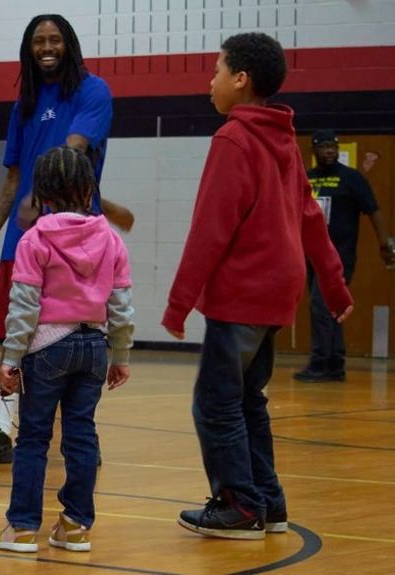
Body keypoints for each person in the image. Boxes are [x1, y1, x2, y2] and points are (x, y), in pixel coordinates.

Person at [162, 33, 353, 540]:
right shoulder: (283, 137)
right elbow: (312, 219)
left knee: (216, 402)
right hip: (277, 294)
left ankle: (238, 506)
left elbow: (210, 227)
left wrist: (179, 303)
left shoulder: (233, 138)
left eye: (217, 70)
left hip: (243, 292)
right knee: (249, 399)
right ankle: (268, 503)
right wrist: (334, 287)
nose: (211, 80)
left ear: (240, 79)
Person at [0, 14, 133, 465]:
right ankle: (1, 428)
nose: (47, 47)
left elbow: (73, 147)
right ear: (28, 49)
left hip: (76, 236)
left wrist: (39, 194)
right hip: (25, 235)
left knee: (77, 333)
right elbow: (13, 173)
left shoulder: (93, 91)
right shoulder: (25, 102)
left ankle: (75, 436)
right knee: (15, 332)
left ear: (69, 44)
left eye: (55, 39)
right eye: (38, 41)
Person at [0, 146, 133, 554]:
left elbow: (24, 308)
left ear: (43, 195)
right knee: (82, 436)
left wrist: (12, 359)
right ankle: (75, 526)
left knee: (33, 438)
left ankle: (22, 528)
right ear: (90, 191)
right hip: (93, 347)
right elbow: (121, 305)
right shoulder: (110, 238)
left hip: (48, 347)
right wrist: (119, 354)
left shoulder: (35, 239)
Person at [294, 130, 395, 382]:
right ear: (314, 150)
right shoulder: (307, 179)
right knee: (333, 309)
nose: (329, 151)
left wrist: (384, 245)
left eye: (333, 147)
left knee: (321, 306)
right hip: (311, 254)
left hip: (339, 256)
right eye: (324, 147)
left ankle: (319, 364)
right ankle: (335, 365)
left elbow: (374, 211)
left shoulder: (351, 179)